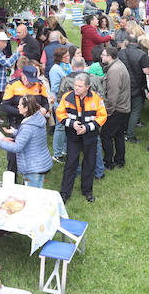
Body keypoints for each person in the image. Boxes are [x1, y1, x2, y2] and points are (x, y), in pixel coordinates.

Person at [57, 73, 108, 203]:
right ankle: (64, 193)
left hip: (90, 136)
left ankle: (87, 190)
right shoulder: (67, 97)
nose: (76, 88)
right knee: (70, 164)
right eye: (75, 85)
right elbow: (60, 113)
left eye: (80, 86)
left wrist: (87, 127)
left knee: (89, 164)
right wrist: (72, 124)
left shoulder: (96, 99)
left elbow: (102, 116)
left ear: (87, 87)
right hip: (73, 136)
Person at [0, 95, 53, 188]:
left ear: (26, 108)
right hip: (41, 164)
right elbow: (31, 135)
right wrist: (16, 132)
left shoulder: (28, 127)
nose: (18, 107)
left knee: (31, 194)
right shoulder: (38, 119)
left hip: (32, 168)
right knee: (38, 191)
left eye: (19, 105)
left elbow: (17, 147)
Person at [100, 46, 129, 169]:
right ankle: (119, 161)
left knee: (105, 135)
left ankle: (108, 162)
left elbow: (112, 95)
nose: (101, 57)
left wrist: (108, 111)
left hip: (117, 109)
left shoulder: (114, 71)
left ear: (109, 57)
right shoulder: (118, 65)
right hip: (123, 107)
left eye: (103, 55)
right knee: (118, 135)